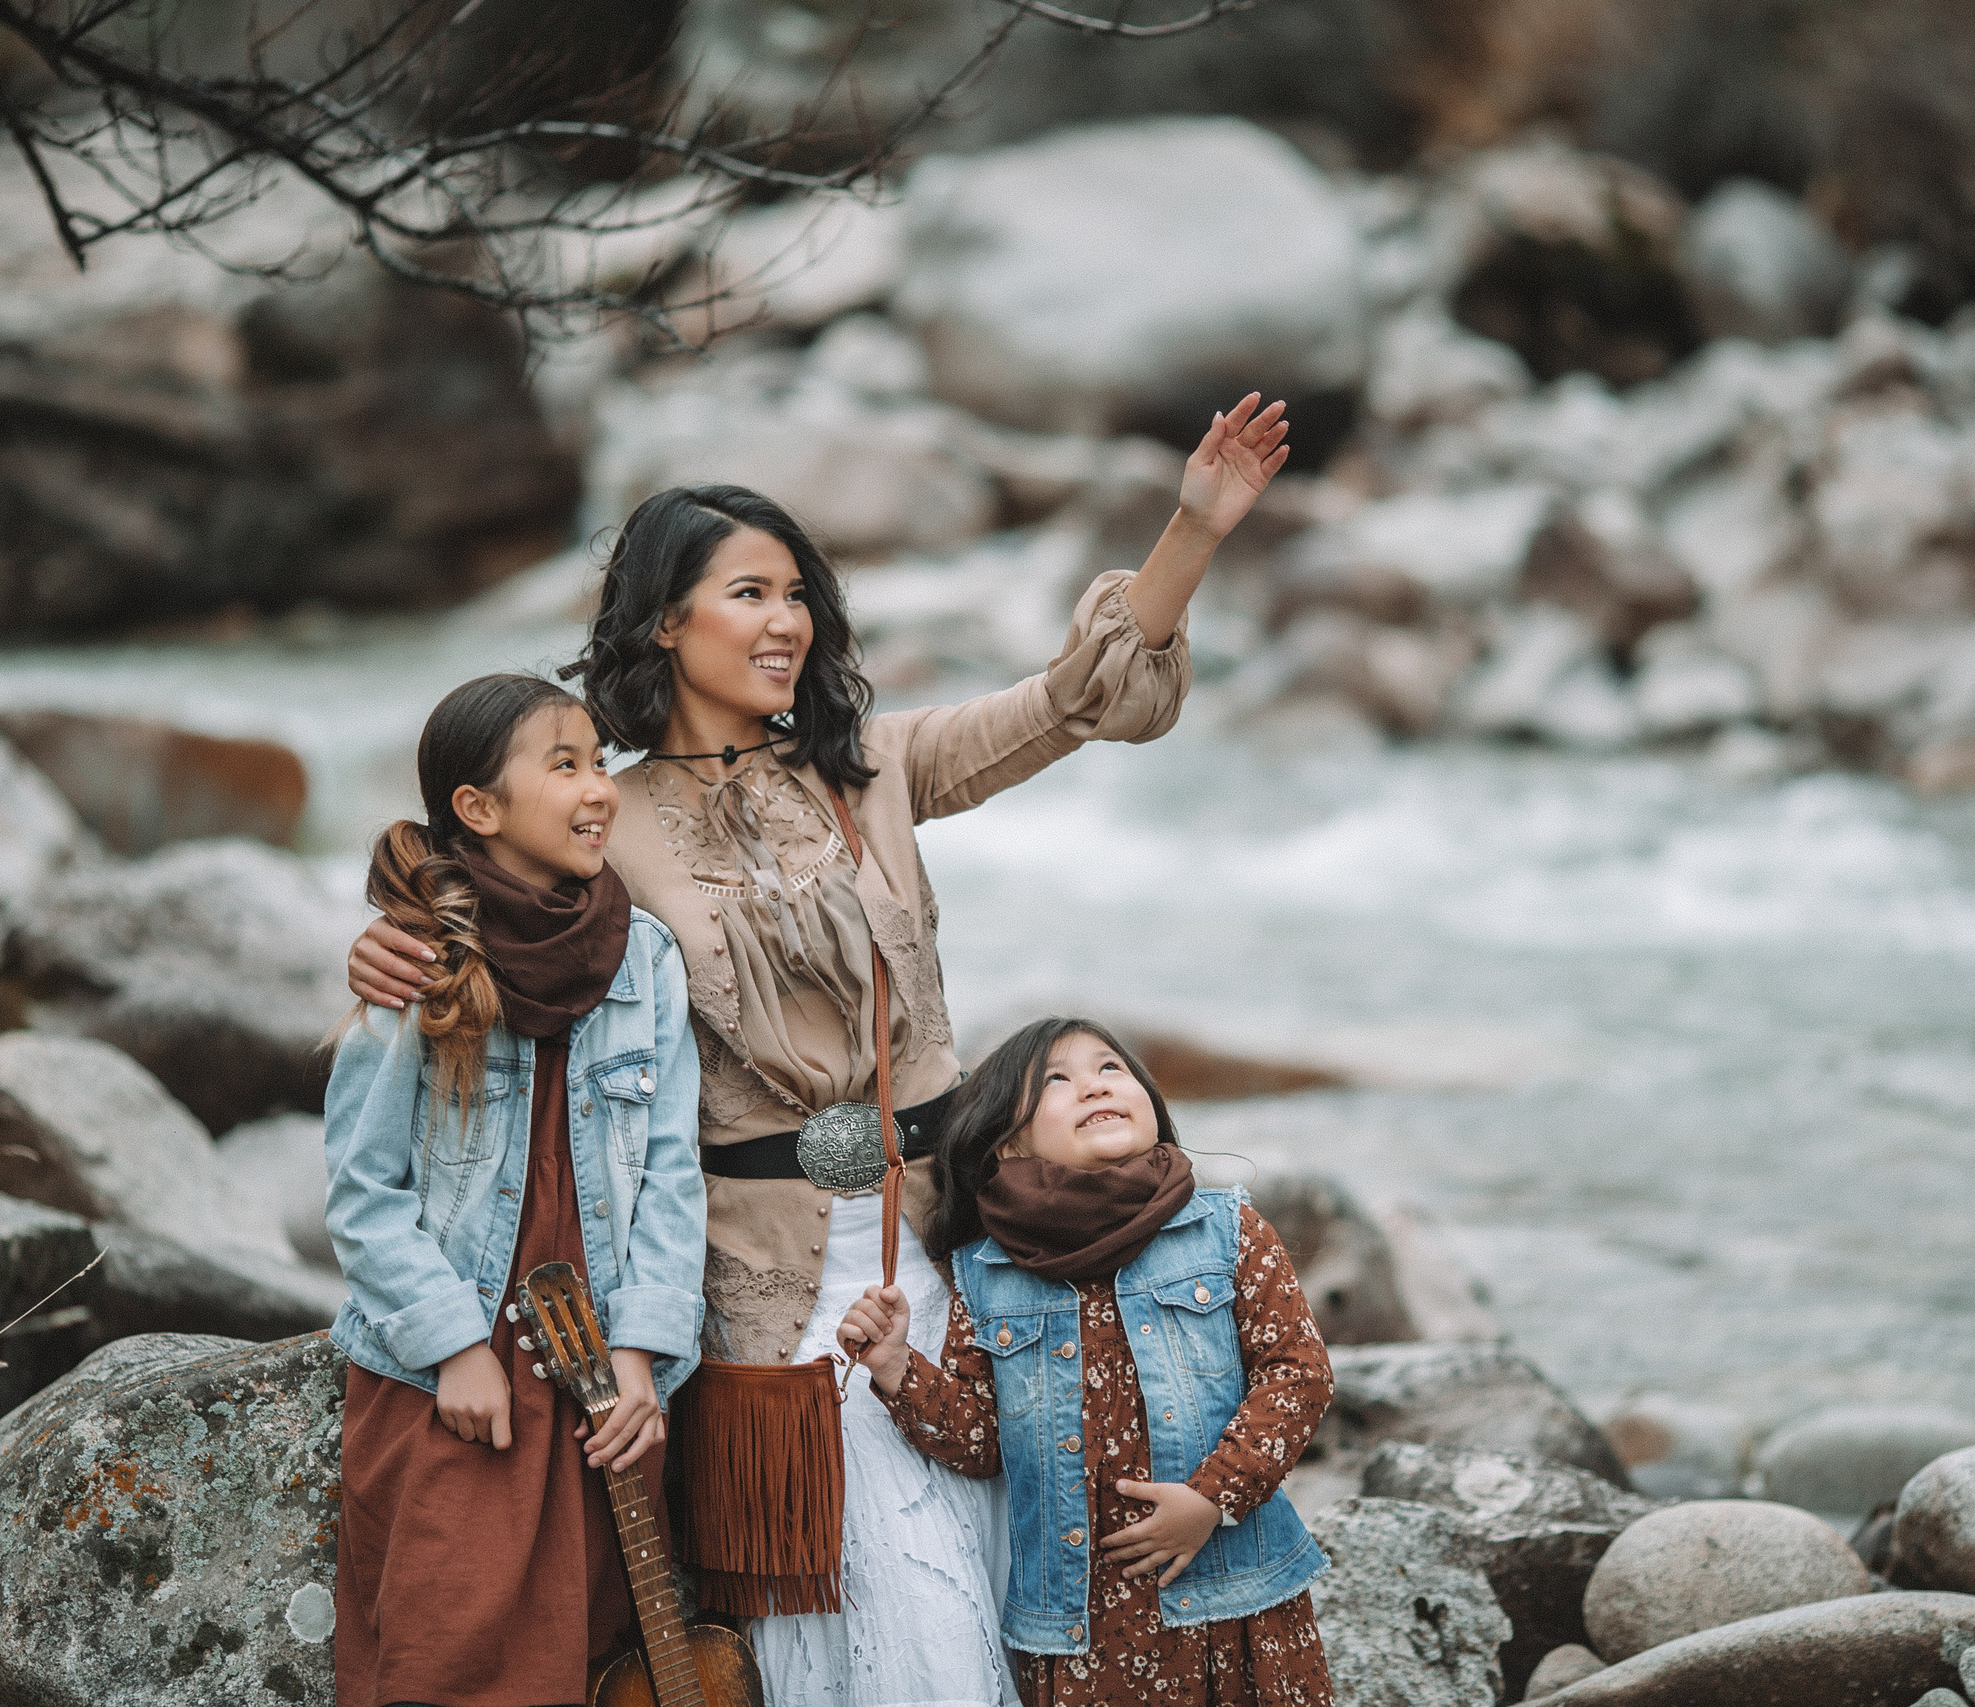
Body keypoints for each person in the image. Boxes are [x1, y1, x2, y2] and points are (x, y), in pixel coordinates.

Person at [347, 394, 1292, 1707]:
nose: (786, 620)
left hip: (952, 1243)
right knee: (852, 1607)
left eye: (799, 593)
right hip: (761, 1279)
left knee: (998, 1573)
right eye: (749, 592)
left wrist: (1191, 531)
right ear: (664, 621)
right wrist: (388, 948)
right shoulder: (609, 816)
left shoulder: (875, 766)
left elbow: (1080, 700)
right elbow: (478, 899)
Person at [323, 673, 708, 1707]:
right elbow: (362, 1189)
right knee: (443, 1644)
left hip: (597, 1372)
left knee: (593, 1651)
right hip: (452, 1378)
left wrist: (642, 1353)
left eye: (600, 763)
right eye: (565, 765)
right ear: (478, 809)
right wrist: (451, 1347)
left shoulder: (645, 960)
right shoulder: (419, 962)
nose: (599, 789)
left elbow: (671, 1174)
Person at [837, 1018, 1334, 1707]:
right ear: (1008, 1142)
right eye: (1057, 1080)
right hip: (1082, 1628)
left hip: (1234, 1594)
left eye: (1110, 1068)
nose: (1094, 1085)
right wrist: (896, 1366)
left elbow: (1297, 1372)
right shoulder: (985, 1275)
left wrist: (1211, 1498)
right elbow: (983, 1441)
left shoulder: (1227, 1229)